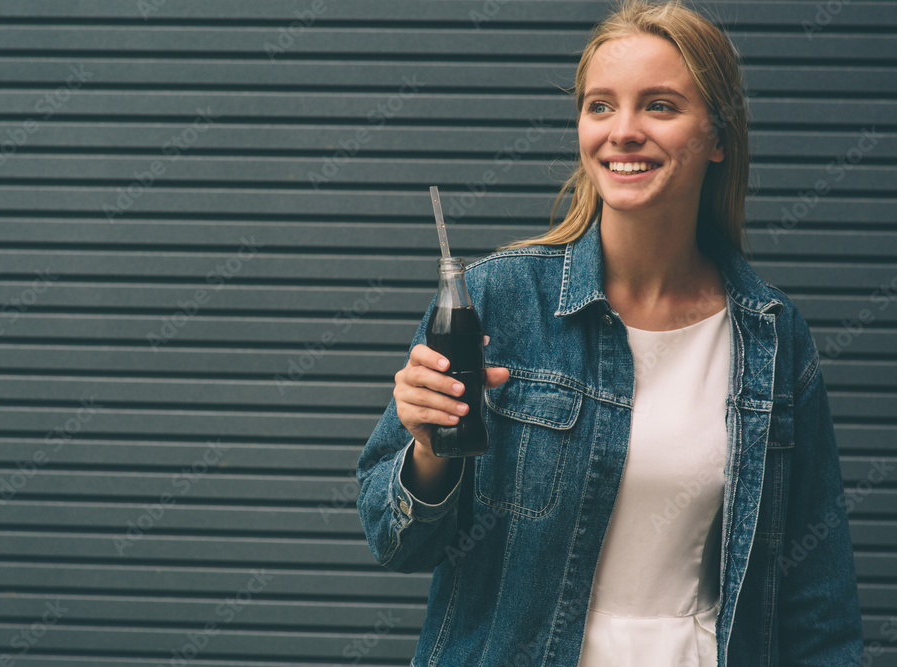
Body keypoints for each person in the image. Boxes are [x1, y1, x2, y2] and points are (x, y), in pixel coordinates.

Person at [355, 0, 864, 664]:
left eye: (659, 106)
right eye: (600, 106)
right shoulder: (494, 300)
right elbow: (393, 540)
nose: (623, 131)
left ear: (717, 138)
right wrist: (429, 452)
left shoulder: (771, 335)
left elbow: (818, 599)